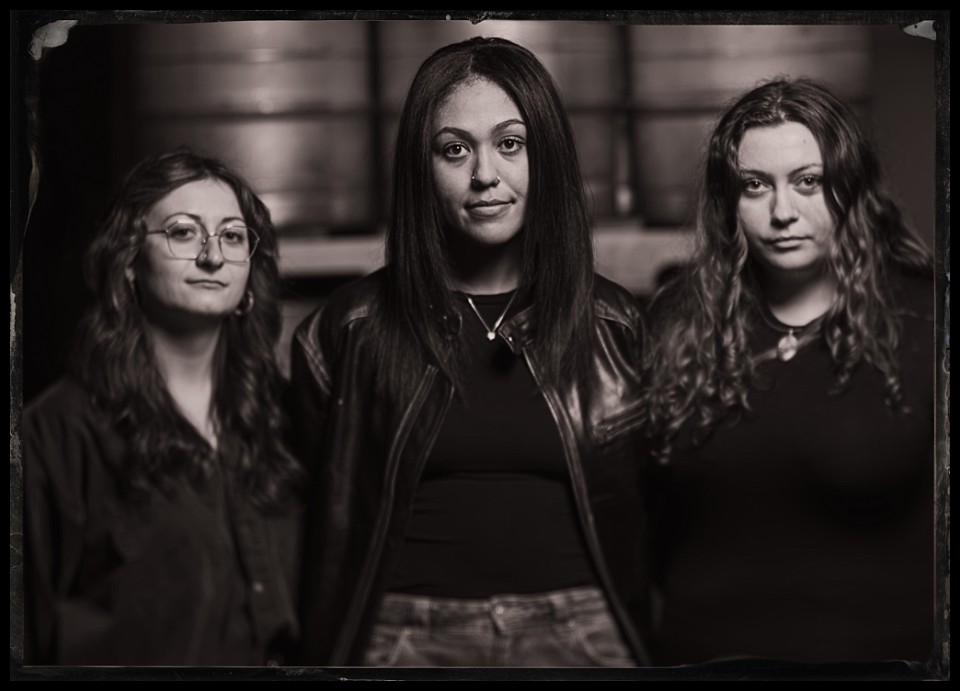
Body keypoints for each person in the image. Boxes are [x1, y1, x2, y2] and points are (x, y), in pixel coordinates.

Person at [291, 37, 652, 667]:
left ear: (547, 156)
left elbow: (664, 509)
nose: (485, 174)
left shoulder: (613, 323)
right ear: (420, 168)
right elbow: (311, 520)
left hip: (583, 634)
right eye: (455, 150)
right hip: (404, 638)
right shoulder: (348, 331)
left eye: (510, 144)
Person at [644, 78, 935, 665]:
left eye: (809, 182)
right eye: (755, 186)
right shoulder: (674, 320)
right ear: (729, 200)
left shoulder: (926, 317)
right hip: (701, 661)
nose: (782, 212)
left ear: (849, 187)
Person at [24, 151, 302, 665]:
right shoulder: (58, 434)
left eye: (233, 236)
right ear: (129, 260)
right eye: (183, 232)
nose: (213, 257)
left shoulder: (284, 417)